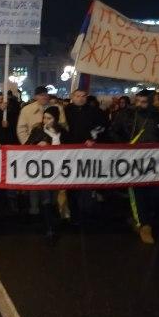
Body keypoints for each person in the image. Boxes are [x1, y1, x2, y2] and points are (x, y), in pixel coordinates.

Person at [110, 90, 159, 244]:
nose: (139, 104)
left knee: (155, 194)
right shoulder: (126, 115)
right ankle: (144, 226)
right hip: (134, 162)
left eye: (144, 102)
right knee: (138, 193)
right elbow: (113, 131)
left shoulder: (157, 116)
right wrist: (125, 147)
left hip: (155, 163)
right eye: (138, 101)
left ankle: (142, 219)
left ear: (151, 102)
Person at [25, 106, 68, 244]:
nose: (46, 120)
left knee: (54, 198)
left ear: (56, 119)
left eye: (49, 118)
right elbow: (26, 146)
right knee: (46, 198)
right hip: (43, 171)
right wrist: (37, 143)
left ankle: (53, 223)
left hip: (59, 170)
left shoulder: (63, 132)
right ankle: (49, 229)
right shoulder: (38, 130)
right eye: (44, 117)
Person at [64, 89, 107, 224]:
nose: (81, 99)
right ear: (72, 97)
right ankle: (73, 213)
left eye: (83, 96)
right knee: (71, 183)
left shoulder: (94, 111)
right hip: (70, 153)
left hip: (89, 152)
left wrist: (93, 138)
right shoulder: (66, 111)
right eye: (78, 96)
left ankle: (87, 211)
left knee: (87, 182)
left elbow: (103, 126)